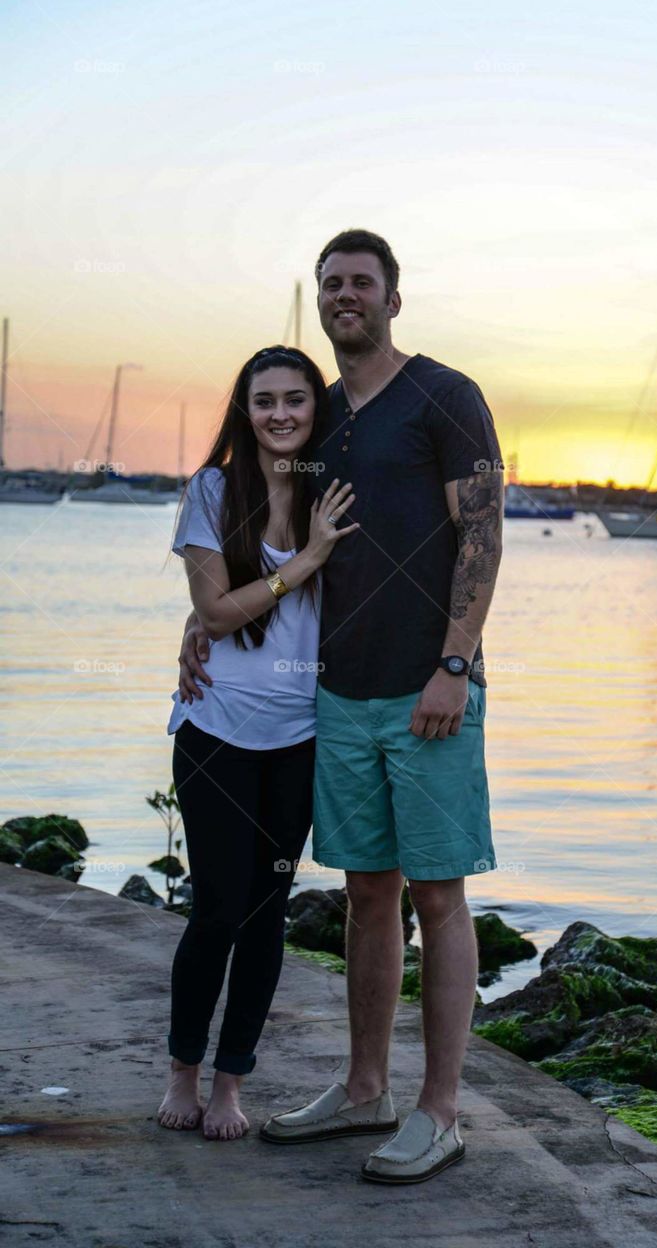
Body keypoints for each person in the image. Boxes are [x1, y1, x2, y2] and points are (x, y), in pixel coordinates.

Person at [178, 230, 504, 1181]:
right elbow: (263, 541)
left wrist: (455, 662)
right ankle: (366, 1090)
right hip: (336, 698)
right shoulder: (323, 423)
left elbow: (482, 538)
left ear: (393, 299)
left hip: (427, 691)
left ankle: (439, 1112)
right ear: (319, 303)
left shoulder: (446, 396)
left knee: (438, 899)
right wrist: (201, 625)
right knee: (367, 895)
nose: (344, 296)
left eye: (361, 283)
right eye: (331, 285)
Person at [159, 344, 358, 1141]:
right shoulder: (213, 491)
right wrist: (304, 562)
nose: (280, 414)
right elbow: (212, 612)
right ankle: (182, 1068)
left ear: (317, 412)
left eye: (296, 401)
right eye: (265, 400)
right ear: (245, 411)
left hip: (298, 739)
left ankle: (231, 1082)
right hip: (215, 733)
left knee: (267, 913)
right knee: (215, 910)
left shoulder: (335, 495)